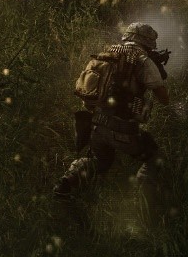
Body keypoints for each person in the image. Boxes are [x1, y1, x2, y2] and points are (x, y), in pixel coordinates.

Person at [55, 23, 171, 199]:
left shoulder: (106, 55)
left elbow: (88, 93)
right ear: (147, 42)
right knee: (155, 157)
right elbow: (163, 99)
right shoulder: (143, 61)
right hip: (123, 129)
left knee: (98, 161)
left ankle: (65, 184)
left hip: (97, 126)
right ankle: (141, 199)